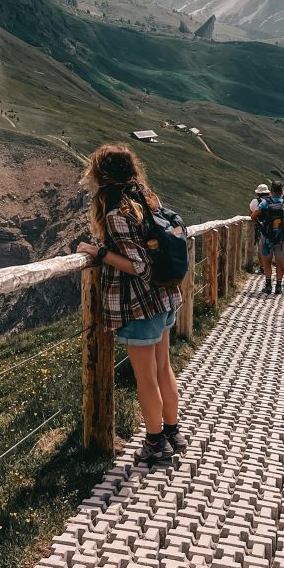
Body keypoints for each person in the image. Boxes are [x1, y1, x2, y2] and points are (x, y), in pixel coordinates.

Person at [78, 143, 184, 467]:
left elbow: (140, 266)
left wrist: (99, 253)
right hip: (165, 298)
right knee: (163, 368)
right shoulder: (146, 196)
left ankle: (154, 443)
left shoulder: (116, 213)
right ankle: (172, 432)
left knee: (146, 376)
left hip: (141, 304)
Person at [253, 182, 284, 295]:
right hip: (281, 238)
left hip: (267, 238)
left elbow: (253, 216)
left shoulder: (265, 203)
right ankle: (279, 286)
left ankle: (268, 285)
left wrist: (260, 225)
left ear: (271, 191)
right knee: (280, 263)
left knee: (267, 262)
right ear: (281, 192)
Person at [250, 184, 270, 274]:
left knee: (260, 248)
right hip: (271, 227)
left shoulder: (255, 201)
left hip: (259, 227)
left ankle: (262, 267)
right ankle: (268, 266)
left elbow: (251, 212)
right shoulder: (271, 201)